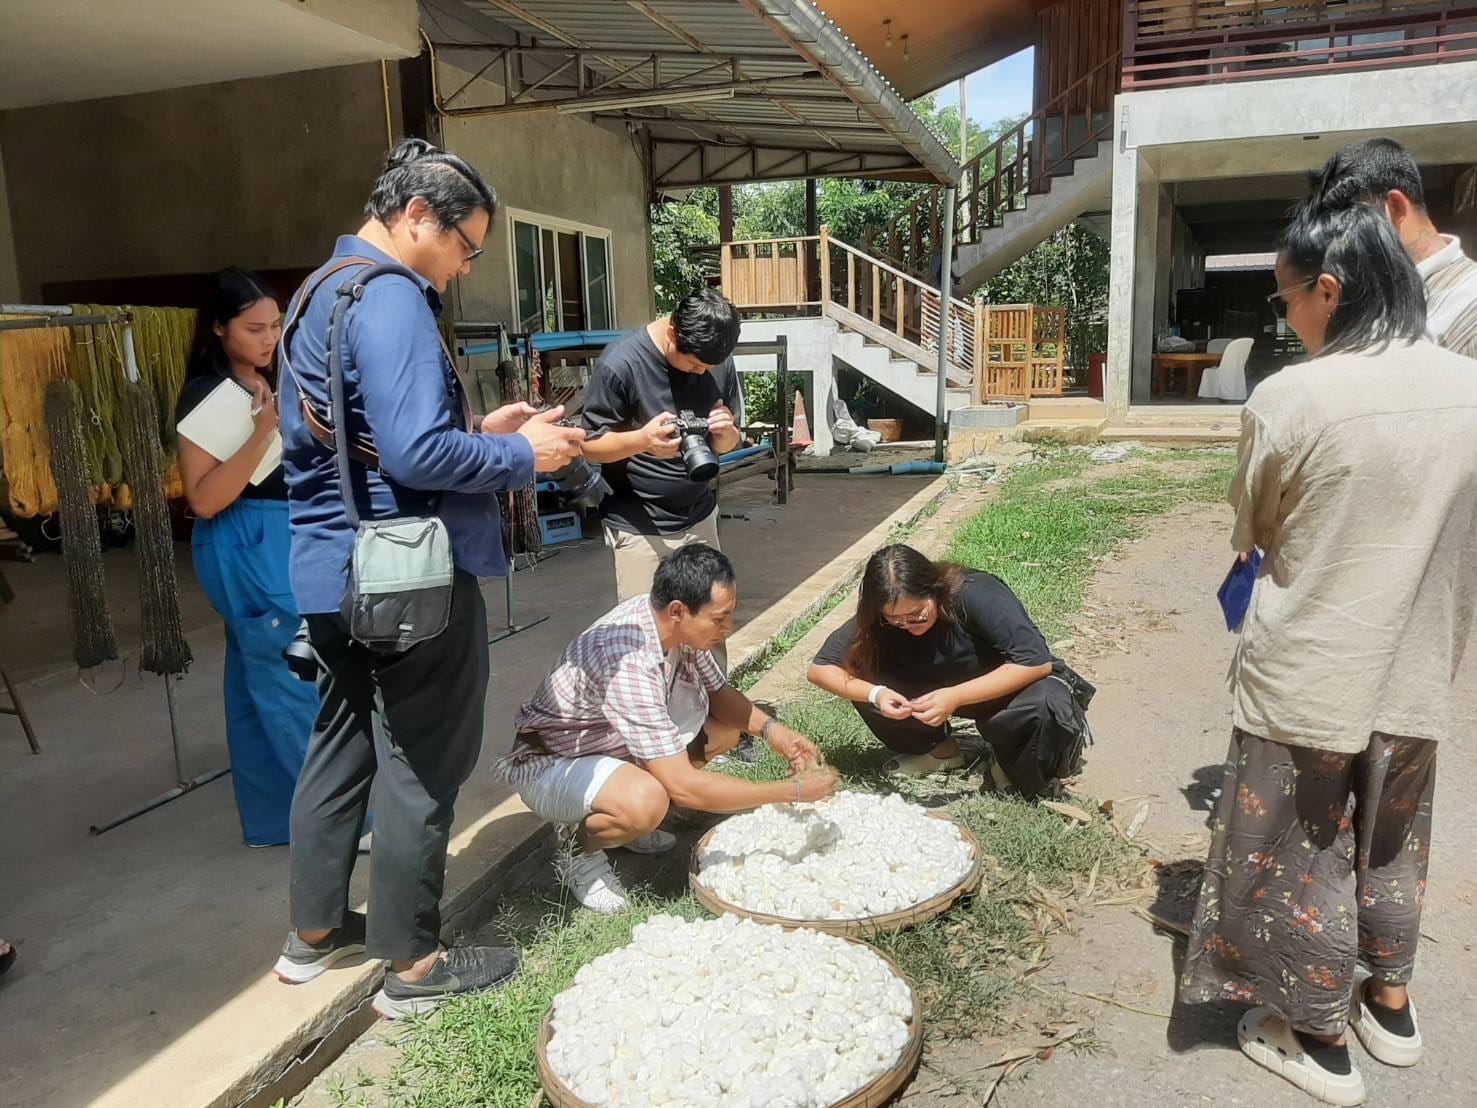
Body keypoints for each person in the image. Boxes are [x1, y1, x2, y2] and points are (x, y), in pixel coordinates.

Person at [270, 139, 585, 1018]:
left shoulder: (317, 293)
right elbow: (413, 453)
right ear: (417, 218)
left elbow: (369, 439)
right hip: (409, 579)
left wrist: (481, 426)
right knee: (419, 763)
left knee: (340, 748)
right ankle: (410, 966)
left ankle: (316, 934)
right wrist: (520, 452)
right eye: (464, 246)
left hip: (330, 572)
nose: (462, 266)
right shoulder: (395, 300)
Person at [1179, 201, 1477, 1105]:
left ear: (1330, 291)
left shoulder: (1294, 396)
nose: (1284, 316)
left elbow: (1255, 525)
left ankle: (1317, 1039)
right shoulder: (1468, 385)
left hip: (1312, 668)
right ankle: (1388, 1008)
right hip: (1419, 659)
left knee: (1301, 854)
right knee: (1392, 839)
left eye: (1285, 299)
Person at [496, 544, 837, 914]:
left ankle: (627, 823)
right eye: (720, 619)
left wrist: (775, 732)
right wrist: (792, 791)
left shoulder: (673, 625)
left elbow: (719, 693)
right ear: (678, 610)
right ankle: (579, 852)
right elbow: (684, 787)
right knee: (647, 802)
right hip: (552, 764)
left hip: (609, 745)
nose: (728, 628)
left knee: (722, 731)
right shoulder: (628, 661)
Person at [176, 268, 319, 848]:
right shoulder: (210, 395)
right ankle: (334, 823)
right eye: (254, 328)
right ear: (218, 328)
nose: (269, 338)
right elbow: (204, 498)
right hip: (249, 541)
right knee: (293, 676)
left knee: (255, 685)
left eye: (277, 326)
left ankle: (274, 822)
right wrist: (263, 431)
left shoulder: (258, 383)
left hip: (270, 536)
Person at [806, 545, 1092, 796]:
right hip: (939, 689)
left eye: (916, 613)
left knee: (1046, 705)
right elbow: (820, 669)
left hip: (1008, 693)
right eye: (894, 618)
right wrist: (877, 693)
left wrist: (954, 697)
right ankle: (940, 751)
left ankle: (1009, 758)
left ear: (934, 589)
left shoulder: (974, 592)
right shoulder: (880, 618)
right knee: (863, 673)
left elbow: (1034, 661)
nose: (906, 623)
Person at [579, 289, 743, 612]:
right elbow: (588, 446)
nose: (701, 373)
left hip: (700, 518)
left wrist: (726, 435)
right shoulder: (621, 363)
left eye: (709, 367)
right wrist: (643, 440)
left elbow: (729, 442)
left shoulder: (715, 360)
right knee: (648, 636)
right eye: (694, 365)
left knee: (709, 627)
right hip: (639, 527)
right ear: (672, 332)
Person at [1307, 137, 1477, 358]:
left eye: (1351, 225)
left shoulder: (1469, 306)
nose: (1341, 244)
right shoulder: (1375, 302)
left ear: (1395, 207)